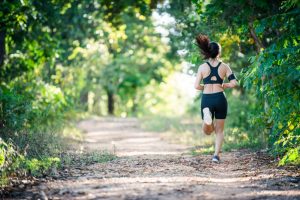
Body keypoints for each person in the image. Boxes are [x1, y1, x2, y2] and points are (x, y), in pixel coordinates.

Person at [194, 34, 238, 163]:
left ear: (208, 52)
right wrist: (223, 85)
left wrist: (206, 86)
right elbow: (234, 83)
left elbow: (196, 86)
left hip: (207, 98)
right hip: (220, 98)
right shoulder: (225, 66)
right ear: (218, 52)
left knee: (207, 131)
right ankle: (216, 156)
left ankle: (207, 122)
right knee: (219, 130)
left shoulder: (202, 67)